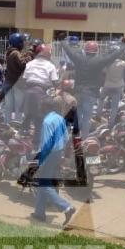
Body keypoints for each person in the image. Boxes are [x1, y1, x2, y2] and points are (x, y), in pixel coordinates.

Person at [61, 39, 125, 137]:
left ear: (85, 49)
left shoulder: (79, 59)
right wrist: (123, 46)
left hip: (78, 92)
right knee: (87, 118)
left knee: (77, 116)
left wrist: (62, 41)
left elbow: (69, 51)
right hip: (91, 93)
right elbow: (112, 56)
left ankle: (75, 136)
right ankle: (84, 139)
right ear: (96, 50)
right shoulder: (99, 60)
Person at [31, 96, 77, 226]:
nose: (40, 107)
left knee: (44, 185)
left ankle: (66, 207)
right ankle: (39, 213)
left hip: (49, 154)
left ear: (46, 107)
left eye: (42, 105)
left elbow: (46, 143)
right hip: (58, 153)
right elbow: (66, 137)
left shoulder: (46, 122)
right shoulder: (59, 118)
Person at [22, 44, 59, 141]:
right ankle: (36, 143)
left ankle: (22, 137)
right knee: (39, 119)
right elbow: (55, 82)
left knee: (27, 116)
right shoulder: (50, 65)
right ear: (47, 54)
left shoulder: (30, 64)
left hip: (28, 92)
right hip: (40, 93)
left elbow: (24, 79)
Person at [101, 49, 125, 128]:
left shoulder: (107, 63)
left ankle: (98, 117)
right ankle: (111, 124)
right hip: (117, 87)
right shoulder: (121, 64)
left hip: (107, 85)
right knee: (114, 107)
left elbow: (102, 70)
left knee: (101, 100)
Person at [2, 33, 29, 123]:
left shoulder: (9, 52)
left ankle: (7, 123)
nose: (23, 44)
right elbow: (23, 64)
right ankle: (17, 124)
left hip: (9, 82)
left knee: (8, 106)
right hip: (17, 83)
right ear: (18, 43)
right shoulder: (16, 53)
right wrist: (28, 57)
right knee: (19, 107)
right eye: (22, 42)